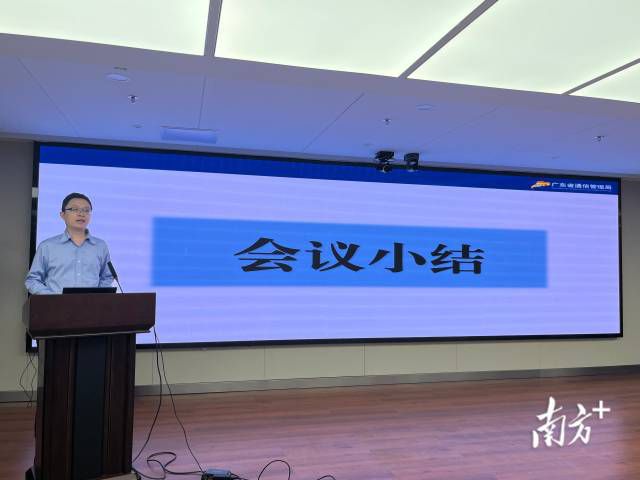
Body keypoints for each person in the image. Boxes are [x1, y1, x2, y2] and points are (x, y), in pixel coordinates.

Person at [25, 193, 114, 294]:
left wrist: (98, 297)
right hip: (57, 303)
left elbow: (107, 277)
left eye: (86, 210)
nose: (81, 214)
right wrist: (52, 298)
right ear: (62, 215)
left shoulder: (100, 246)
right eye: (75, 209)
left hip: (92, 304)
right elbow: (33, 280)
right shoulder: (47, 246)